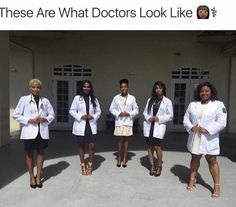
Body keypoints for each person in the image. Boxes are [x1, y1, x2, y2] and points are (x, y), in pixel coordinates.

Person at [183, 82, 227, 198]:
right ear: (199, 93)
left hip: (209, 138)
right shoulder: (193, 104)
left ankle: (216, 185)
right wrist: (192, 127)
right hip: (195, 136)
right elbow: (186, 118)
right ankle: (192, 179)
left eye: (206, 91)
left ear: (211, 92)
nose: (204, 93)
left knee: (212, 160)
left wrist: (207, 130)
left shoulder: (218, 105)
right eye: (202, 91)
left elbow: (221, 122)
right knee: (195, 158)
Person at [13, 79, 55, 188]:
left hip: (42, 131)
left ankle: (38, 176)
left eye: (38, 87)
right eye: (34, 87)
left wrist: (45, 119)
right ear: (30, 88)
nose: (36, 89)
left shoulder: (45, 101)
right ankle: (32, 177)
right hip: (29, 131)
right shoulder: (24, 100)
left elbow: (52, 114)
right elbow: (16, 115)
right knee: (29, 153)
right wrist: (29, 120)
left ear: (40, 88)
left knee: (41, 153)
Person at [69, 80, 101, 176]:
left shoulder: (94, 99)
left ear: (90, 88)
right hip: (81, 124)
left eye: (88, 87)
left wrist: (93, 117)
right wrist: (81, 116)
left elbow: (98, 111)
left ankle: (90, 165)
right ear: (82, 88)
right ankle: (83, 165)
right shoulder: (77, 98)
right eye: (84, 86)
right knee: (81, 146)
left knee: (92, 145)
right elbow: (72, 110)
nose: (86, 88)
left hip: (91, 125)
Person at [143, 81, 173, 176]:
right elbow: (145, 112)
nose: (158, 90)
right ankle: (152, 165)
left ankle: (159, 166)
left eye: (160, 88)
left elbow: (170, 115)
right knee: (149, 146)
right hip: (149, 125)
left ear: (163, 89)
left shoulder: (167, 101)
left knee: (157, 147)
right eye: (156, 88)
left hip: (158, 126)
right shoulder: (150, 100)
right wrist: (149, 118)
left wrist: (158, 118)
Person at [109, 78, 139, 167]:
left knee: (126, 140)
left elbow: (136, 110)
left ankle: (125, 158)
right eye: (122, 87)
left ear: (128, 87)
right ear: (120, 88)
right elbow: (111, 108)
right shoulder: (116, 98)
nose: (123, 88)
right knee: (120, 140)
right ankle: (119, 158)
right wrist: (118, 113)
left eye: (125, 87)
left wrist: (129, 113)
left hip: (127, 121)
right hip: (119, 121)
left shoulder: (132, 98)